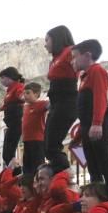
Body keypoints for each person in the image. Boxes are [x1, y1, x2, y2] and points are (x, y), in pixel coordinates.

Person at [72, 39, 108, 198]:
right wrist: (79, 135)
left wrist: (97, 123)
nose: (73, 60)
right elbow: (84, 112)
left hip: (98, 125)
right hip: (88, 126)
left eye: (75, 56)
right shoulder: (83, 77)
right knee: (93, 167)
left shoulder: (97, 71)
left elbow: (100, 98)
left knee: (105, 165)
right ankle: (98, 200)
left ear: (87, 55)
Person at [42, 25, 77, 174]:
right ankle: (60, 174)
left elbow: (81, 71)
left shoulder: (70, 52)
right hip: (56, 103)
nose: (45, 44)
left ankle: (66, 176)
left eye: (47, 40)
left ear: (56, 39)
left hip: (66, 102)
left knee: (52, 146)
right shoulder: (55, 58)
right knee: (47, 146)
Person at [0, 67, 25, 166]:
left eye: (2, 78)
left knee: (9, 152)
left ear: (9, 78)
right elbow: (8, 103)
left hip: (16, 122)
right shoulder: (9, 90)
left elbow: (21, 96)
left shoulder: (18, 87)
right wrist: (0, 109)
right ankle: (12, 169)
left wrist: (23, 97)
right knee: (7, 152)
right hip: (11, 124)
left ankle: (15, 170)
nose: (1, 81)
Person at [22, 82, 48, 175]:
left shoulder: (42, 104)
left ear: (36, 94)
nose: (25, 95)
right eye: (24, 93)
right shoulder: (25, 107)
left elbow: (51, 105)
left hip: (37, 140)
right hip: (26, 141)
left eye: (28, 93)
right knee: (27, 168)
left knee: (37, 166)